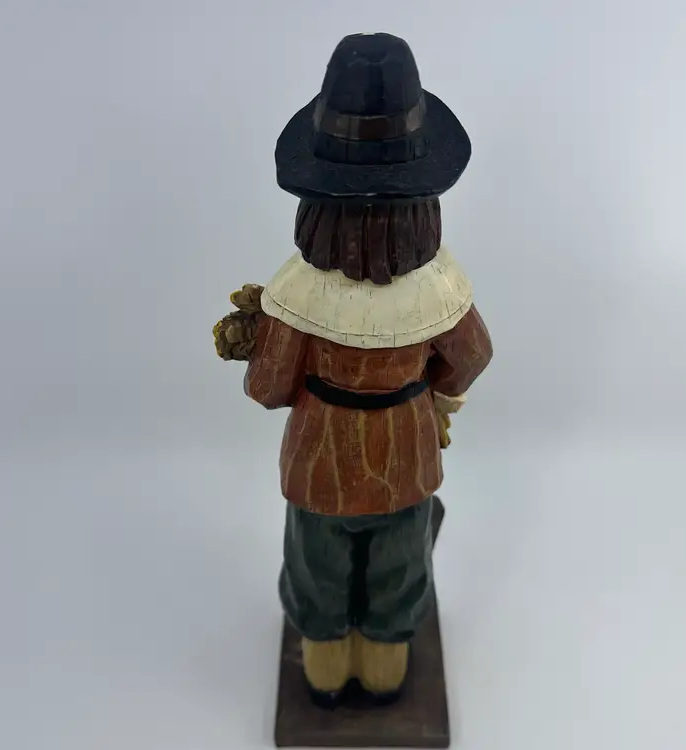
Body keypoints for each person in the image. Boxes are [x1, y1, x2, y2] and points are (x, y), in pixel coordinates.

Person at [242, 33, 493, 706]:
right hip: (405, 453)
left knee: (318, 561)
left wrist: (260, 350)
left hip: (319, 457)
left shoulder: (295, 292)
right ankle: (384, 663)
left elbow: (268, 388)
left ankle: (326, 663)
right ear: (424, 200)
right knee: (399, 562)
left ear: (316, 203)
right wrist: (432, 396)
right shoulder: (440, 287)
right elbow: (472, 355)